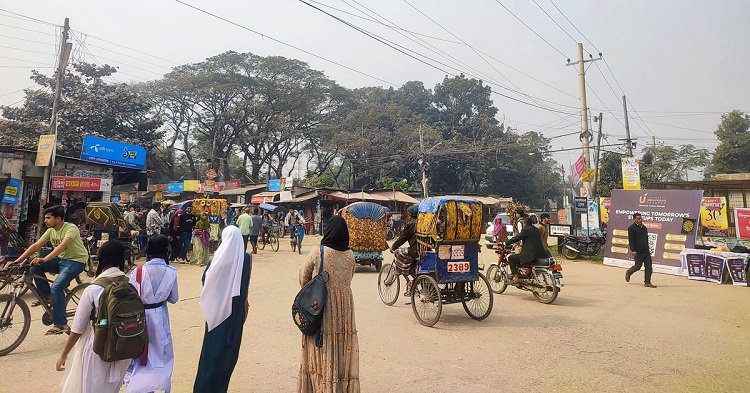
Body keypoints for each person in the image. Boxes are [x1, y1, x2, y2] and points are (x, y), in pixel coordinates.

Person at [56, 240, 131, 393]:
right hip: (124, 348)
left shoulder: (93, 288)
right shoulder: (131, 284)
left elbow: (78, 327)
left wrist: (64, 354)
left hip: (98, 348)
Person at [298, 215, 360, 392]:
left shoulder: (319, 252)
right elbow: (348, 280)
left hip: (322, 308)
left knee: (321, 344)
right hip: (344, 309)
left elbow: (304, 277)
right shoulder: (350, 255)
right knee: (342, 347)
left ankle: (322, 386)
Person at [5, 205, 88, 335]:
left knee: (57, 287)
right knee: (34, 267)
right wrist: (17, 261)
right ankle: (47, 295)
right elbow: (36, 245)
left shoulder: (70, 228)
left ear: (58, 218)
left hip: (76, 261)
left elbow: (63, 245)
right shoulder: (50, 231)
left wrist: (45, 259)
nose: (45, 220)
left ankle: (61, 325)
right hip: (61, 260)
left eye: (48, 218)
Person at [193, 226, 252, 393]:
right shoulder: (246, 260)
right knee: (229, 354)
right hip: (236, 313)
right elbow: (244, 289)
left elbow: (205, 281)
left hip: (216, 313)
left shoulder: (216, 260)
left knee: (210, 354)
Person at [126, 234, 179, 393]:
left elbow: (131, 294)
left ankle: (139, 387)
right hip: (160, 316)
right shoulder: (171, 271)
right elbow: (174, 298)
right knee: (160, 355)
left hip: (141, 317)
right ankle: (158, 385)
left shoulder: (138, 271)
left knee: (141, 354)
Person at [505, 217, 548, 283]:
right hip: (540, 253)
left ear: (525, 224)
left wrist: (507, 242)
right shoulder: (536, 229)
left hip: (531, 254)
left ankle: (516, 277)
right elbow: (531, 240)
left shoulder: (526, 230)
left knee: (511, 258)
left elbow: (517, 237)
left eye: (523, 223)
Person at [389, 205, 419, 296]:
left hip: (414, 251)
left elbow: (402, 238)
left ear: (410, 215)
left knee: (398, 252)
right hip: (425, 250)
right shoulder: (423, 224)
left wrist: (393, 247)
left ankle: (407, 281)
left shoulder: (411, 224)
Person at [626, 213, 657, 288]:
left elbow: (645, 239)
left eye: (641, 218)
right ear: (634, 219)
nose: (640, 220)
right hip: (638, 251)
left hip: (646, 251)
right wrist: (633, 250)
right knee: (638, 266)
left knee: (649, 266)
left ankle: (647, 282)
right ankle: (629, 272)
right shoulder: (631, 228)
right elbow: (631, 240)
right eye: (638, 219)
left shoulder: (644, 228)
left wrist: (648, 248)